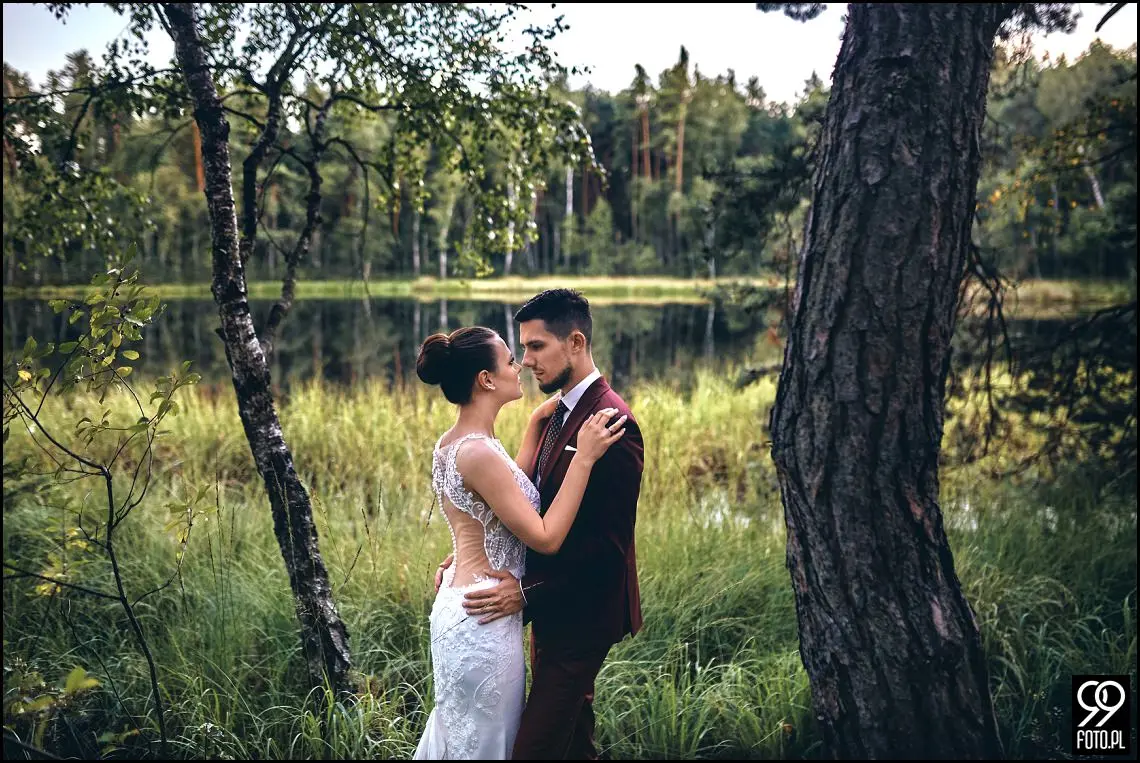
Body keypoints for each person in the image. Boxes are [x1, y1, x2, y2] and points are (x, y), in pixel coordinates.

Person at [446, 289, 646, 760]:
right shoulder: (554, 413)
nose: (527, 360)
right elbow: (520, 508)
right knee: (572, 741)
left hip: (583, 617)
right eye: (523, 348)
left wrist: (526, 592)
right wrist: (470, 555)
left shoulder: (611, 424)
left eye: (537, 347)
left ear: (575, 343)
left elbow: (608, 549)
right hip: (549, 615)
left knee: (533, 749)